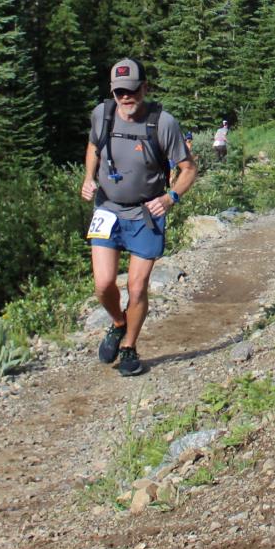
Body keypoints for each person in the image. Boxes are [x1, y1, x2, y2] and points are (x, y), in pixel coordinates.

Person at [80, 59, 197, 378]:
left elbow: (189, 169)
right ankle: (118, 323)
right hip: (107, 208)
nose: (126, 98)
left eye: (132, 90)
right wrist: (88, 177)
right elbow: (93, 146)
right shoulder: (102, 114)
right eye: (120, 92)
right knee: (103, 284)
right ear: (112, 92)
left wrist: (170, 197)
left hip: (147, 212)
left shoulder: (163, 124)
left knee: (137, 284)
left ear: (145, 87)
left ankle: (129, 347)